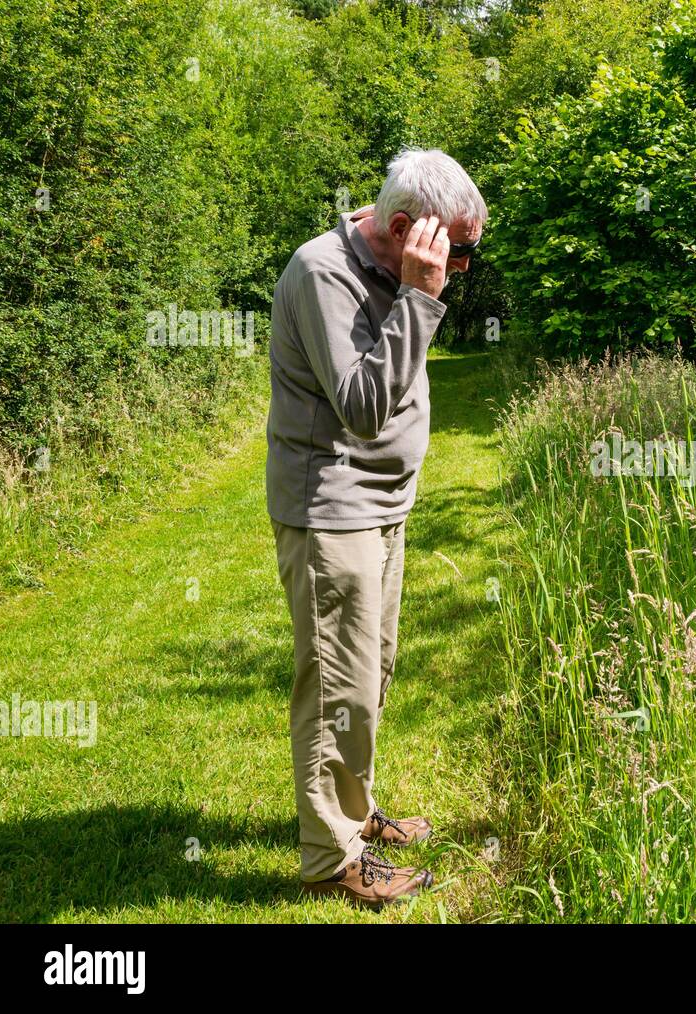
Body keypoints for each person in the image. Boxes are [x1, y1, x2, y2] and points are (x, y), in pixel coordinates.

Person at [265, 147, 486, 907]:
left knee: (371, 674)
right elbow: (362, 409)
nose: (458, 271)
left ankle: (353, 812)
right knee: (338, 688)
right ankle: (333, 859)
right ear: (403, 227)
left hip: (382, 507)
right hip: (333, 508)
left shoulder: (392, 269)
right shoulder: (324, 272)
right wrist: (421, 300)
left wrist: (415, 293)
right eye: (454, 253)